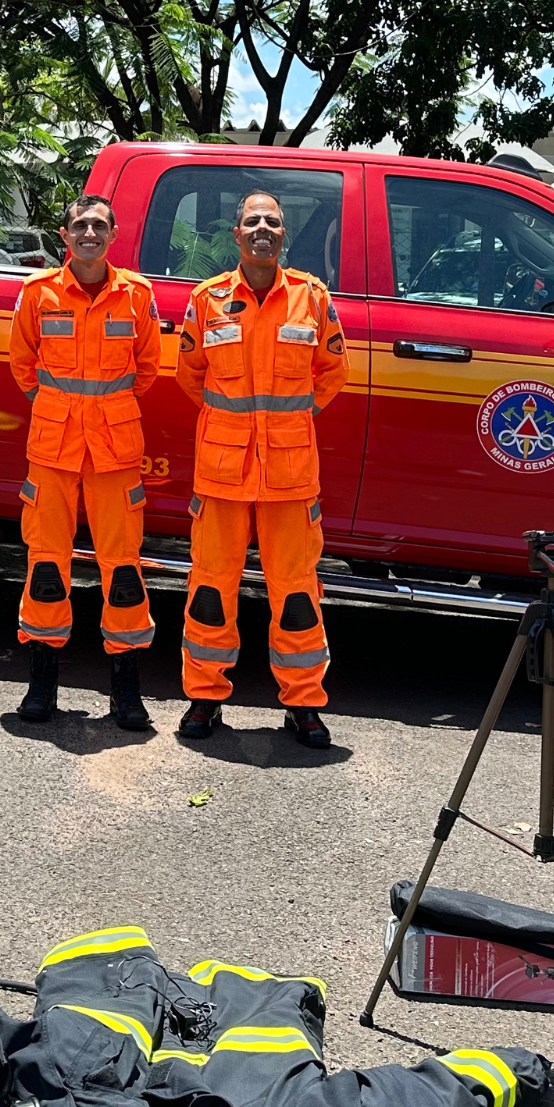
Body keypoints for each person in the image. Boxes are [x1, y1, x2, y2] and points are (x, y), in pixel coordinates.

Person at [173, 191, 349, 747]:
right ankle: (204, 698)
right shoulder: (207, 300)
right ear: (237, 234)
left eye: (272, 221)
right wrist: (232, 426)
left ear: (283, 234)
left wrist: (291, 421)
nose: (262, 229)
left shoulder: (311, 298)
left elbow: (332, 370)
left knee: (297, 593)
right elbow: (189, 373)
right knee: (210, 587)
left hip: (290, 475)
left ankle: (303, 703)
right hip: (222, 472)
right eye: (252, 221)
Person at [7, 193, 163, 727]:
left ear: (113, 233)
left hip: (115, 449)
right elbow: (23, 364)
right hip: (54, 447)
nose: (89, 234)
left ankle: (126, 691)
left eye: (99, 225)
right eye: (80, 226)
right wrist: (59, 409)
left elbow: (147, 368)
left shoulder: (137, 295)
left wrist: (105, 410)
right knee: (46, 563)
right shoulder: (38, 293)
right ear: (65, 235)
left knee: (123, 568)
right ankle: (42, 684)